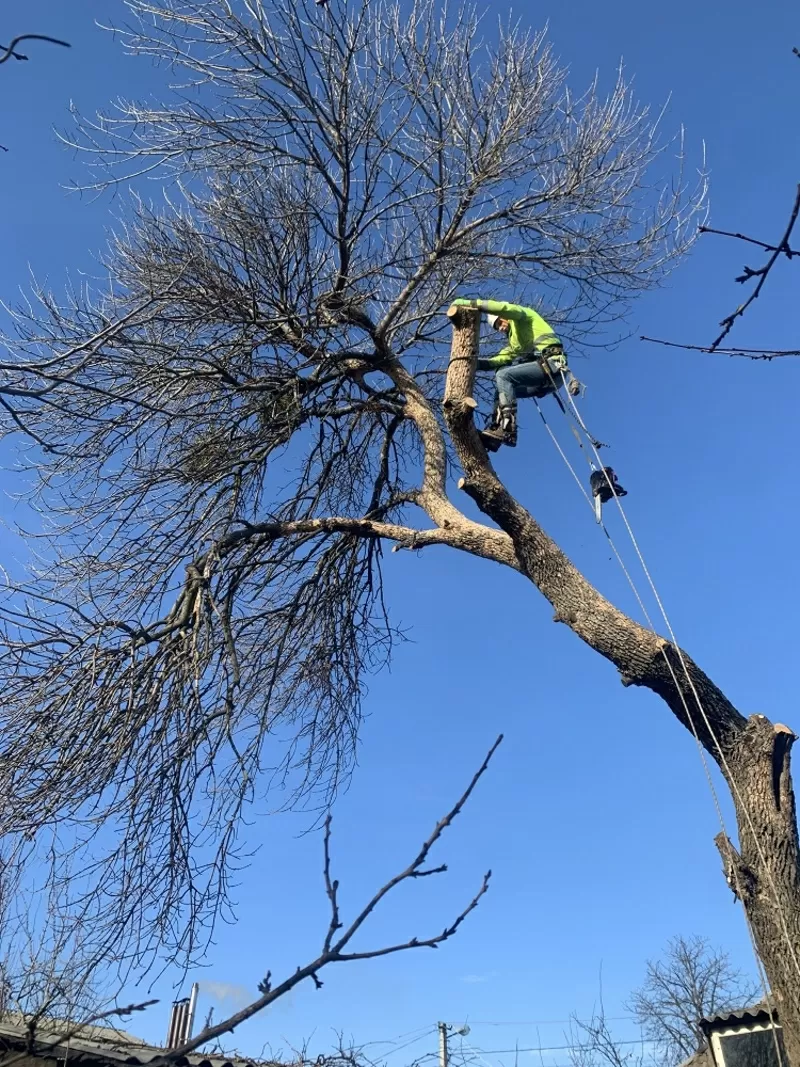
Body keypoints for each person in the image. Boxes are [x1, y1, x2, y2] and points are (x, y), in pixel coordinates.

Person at [450, 297, 578, 450]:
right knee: (501, 386)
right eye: (497, 327)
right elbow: (499, 360)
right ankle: (496, 432)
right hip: (545, 382)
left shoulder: (522, 316)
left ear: (505, 317)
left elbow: (504, 308)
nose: (501, 328)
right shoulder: (514, 343)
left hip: (553, 365)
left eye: (499, 323)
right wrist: (471, 364)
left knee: (504, 375)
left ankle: (508, 428)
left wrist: (471, 304)